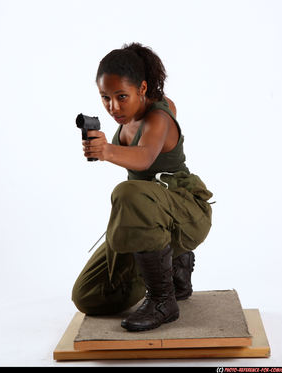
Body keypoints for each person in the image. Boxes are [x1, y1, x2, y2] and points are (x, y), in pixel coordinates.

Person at [71, 42, 213, 332]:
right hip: (144, 219)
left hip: (184, 210)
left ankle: (163, 300)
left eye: (122, 96)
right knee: (87, 296)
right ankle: (172, 265)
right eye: (105, 98)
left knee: (127, 193)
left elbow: (146, 156)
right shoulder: (129, 115)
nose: (114, 107)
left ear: (144, 88)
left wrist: (106, 150)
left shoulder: (158, 117)